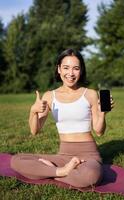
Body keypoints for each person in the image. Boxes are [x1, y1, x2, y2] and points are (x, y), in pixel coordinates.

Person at [11, 48, 114, 188]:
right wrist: (33, 112)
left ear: (81, 70)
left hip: (88, 155)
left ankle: (53, 172)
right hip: (64, 155)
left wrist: (102, 114)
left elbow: (99, 131)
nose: (70, 73)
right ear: (59, 69)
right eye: (66, 68)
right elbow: (35, 131)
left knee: (90, 176)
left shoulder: (90, 94)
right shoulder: (49, 96)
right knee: (16, 160)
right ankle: (62, 171)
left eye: (76, 68)